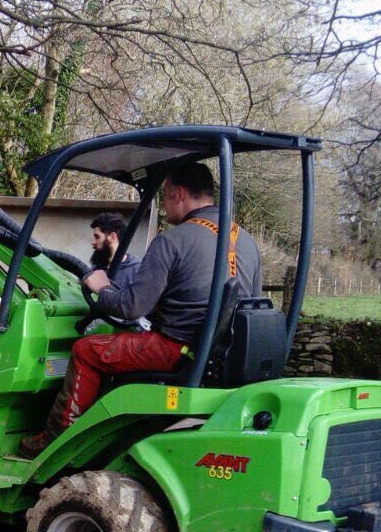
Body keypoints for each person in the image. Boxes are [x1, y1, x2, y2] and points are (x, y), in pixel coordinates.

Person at [19, 161, 263, 457]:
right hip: (221, 355)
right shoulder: (245, 241)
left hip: (176, 348)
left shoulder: (173, 240)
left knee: (87, 350)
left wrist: (101, 286)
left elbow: (131, 307)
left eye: (164, 194)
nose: (163, 203)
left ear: (179, 193)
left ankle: (56, 439)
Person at [89, 211, 141, 289]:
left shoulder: (137, 271)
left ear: (112, 237)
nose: (93, 242)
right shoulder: (95, 270)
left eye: (97, 237)